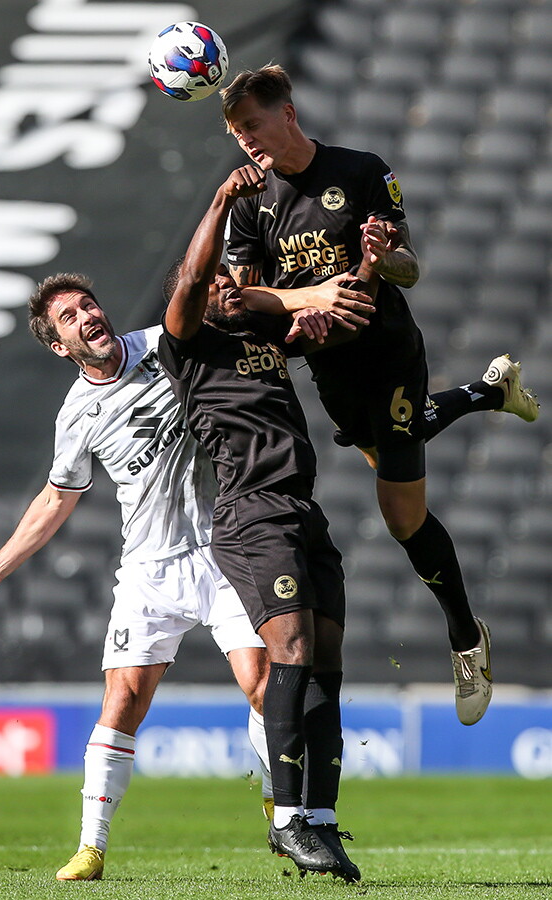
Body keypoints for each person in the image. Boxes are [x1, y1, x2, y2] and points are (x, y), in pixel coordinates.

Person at [220, 64, 540, 727]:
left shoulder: (361, 170)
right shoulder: (250, 203)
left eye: (251, 124)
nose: (245, 140)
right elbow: (241, 297)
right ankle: (487, 390)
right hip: (328, 367)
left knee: (400, 516)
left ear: (288, 114)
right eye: (234, 130)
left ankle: (465, 637)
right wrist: (306, 304)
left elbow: (409, 269)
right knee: (394, 453)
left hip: (389, 352)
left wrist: (385, 252)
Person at [0, 273, 273, 882]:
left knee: (263, 686)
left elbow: (222, 312)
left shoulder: (165, 343)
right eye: (68, 317)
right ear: (58, 346)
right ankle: (91, 848)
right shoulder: (78, 415)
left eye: (87, 304)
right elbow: (54, 499)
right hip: (150, 569)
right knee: (122, 701)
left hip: (225, 550)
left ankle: (283, 811)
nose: (85, 316)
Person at [158, 162, 378, 882]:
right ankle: (285, 821)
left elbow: (337, 321)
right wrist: (222, 197)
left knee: (327, 671)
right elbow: (189, 285)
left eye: (230, 277)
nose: (225, 281)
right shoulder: (187, 343)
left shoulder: (262, 336)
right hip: (252, 514)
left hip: (301, 511)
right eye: (216, 278)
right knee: (288, 655)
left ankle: (319, 818)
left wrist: (365, 271)